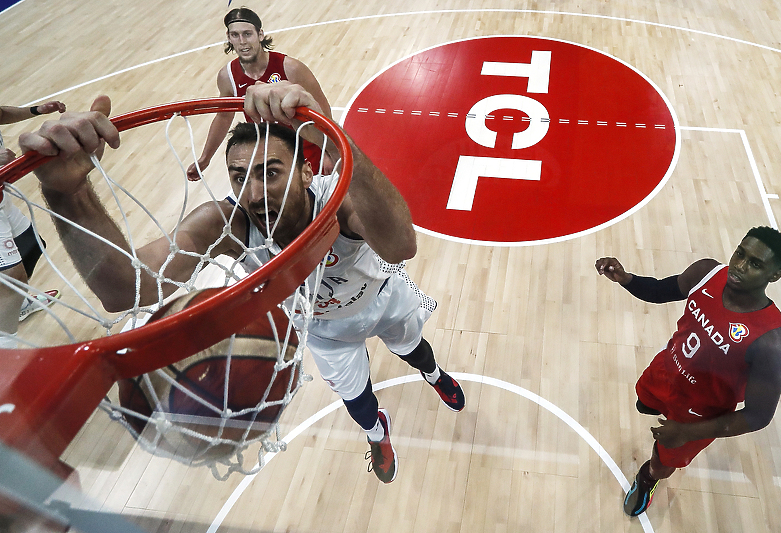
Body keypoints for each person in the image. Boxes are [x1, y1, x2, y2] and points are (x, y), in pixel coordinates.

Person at [18, 82, 465, 484]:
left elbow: (402, 244)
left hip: (384, 298)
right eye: (239, 176)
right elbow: (123, 288)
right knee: (358, 399)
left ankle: (433, 374)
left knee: (413, 347)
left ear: (307, 172)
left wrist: (331, 137)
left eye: (269, 171)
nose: (253, 193)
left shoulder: (338, 201)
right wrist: (68, 194)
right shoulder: (229, 223)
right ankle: (377, 433)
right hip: (327, 333)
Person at [595, 227, 781, 516]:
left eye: (755, 263)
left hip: (700, 412)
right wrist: (627, 279)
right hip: (666, 369)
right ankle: (659, 417)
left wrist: (687, 432)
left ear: (773, 276)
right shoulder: (707, 273)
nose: (740, 265)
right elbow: (663, 290)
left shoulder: (772, 343)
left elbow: (758, 416)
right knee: (643, 402)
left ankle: (648, 478)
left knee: (663, 460)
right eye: (740, 253)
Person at [187, 7, 332, 180]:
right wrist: (205, 159)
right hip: (267, 154)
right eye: (235, 35)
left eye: (247, 34)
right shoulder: (228, 76)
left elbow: (323, 109)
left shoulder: (291, 68)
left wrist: (328, 151)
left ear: (260, 35)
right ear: (229, 37)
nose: (242, 41)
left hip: (305, 148)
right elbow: (223, 118)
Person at [0, 101, 65, 348]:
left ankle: (12, 304)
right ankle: (5, 361)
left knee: (31, 244)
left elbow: (1, 112)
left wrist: (35, 110)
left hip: (1, 195)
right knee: (11, 275)